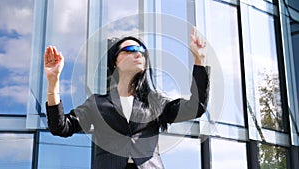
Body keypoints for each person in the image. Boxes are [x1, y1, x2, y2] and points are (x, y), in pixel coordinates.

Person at [44, 27, 210, 169]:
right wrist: (53, 82)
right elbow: (60, 127)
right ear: (115, 62)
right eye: (130, 50)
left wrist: (199, 60)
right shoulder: (97, 103)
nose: (138, 54)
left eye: (141, 51)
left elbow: (195, 108)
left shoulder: (155, 102)